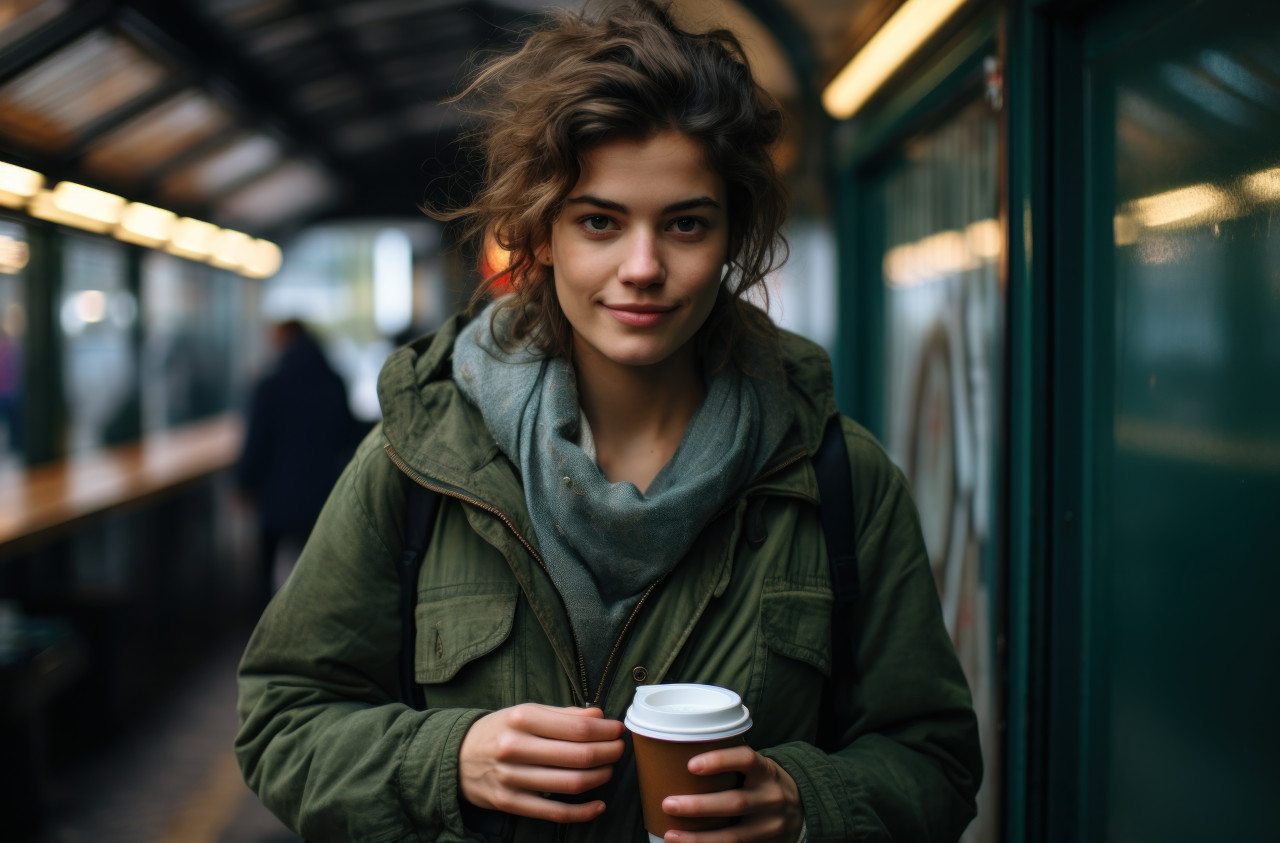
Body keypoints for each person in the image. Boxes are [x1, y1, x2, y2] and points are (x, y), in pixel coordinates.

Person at [235, 2, 982, 841]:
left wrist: (806, 803)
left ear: (731, 237)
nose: (642, 268)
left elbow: (937, 759)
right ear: (541, 236)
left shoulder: (837, 477)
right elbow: (281, 719)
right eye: (599, 221)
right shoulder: (418, 462)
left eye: (686, 223)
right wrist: (448, 759)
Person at [235, 319, 361, 607]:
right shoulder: (334, 381)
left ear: (284, 342)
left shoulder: (269, 385)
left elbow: (257, 442)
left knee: (266, 567)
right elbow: (347, 436)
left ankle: (264, 625)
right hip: (322, 494)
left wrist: (243, 483)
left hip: (276, 496)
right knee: (319, 567)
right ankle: (315, 620)